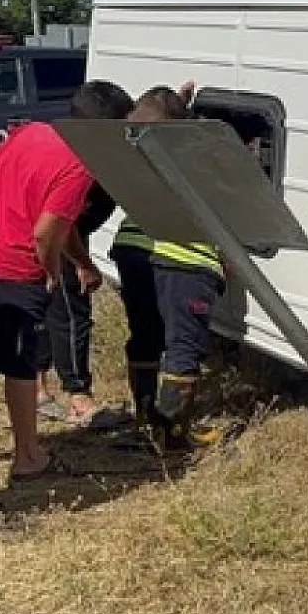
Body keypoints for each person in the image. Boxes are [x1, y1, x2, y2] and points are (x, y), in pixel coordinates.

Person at [0, 79, 133, 482]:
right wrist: (51, 271)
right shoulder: (79, 167)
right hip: (13, 270)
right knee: (20, 363)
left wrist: (81, 262)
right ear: (103, 127)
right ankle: (29, 457)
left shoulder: (32, 131)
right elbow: (44, 233)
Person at [111, 83, 227, 453]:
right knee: (183, 346)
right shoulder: (196, 155)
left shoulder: (136, 145)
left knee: (145, 336)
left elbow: (155, 113)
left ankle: (147, 422)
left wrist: (178, 101)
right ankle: (175, 435)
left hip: (133, 248)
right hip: (184, 257)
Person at [32, 83, 135, 428]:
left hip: (48, 235)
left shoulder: (54, 136)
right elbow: (65, 222)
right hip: (58, 240)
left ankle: (38, 389)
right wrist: (84, 265)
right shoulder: (79, 159)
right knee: (71, 314)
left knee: (44, 311)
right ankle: (79, 398)